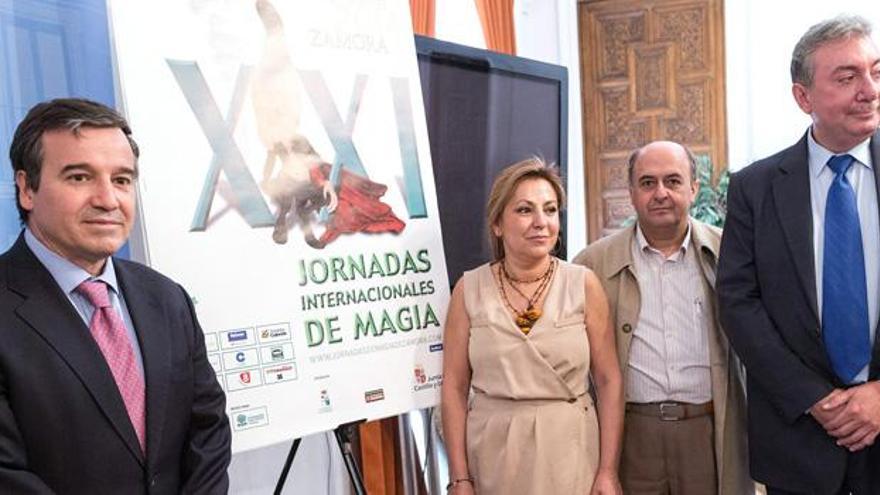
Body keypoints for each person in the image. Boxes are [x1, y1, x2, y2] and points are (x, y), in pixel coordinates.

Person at [0, 98, 231, 493]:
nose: (108, 200)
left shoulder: (166, 297)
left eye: (122, 179)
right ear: (26, 189)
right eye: (79, 177)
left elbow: (208, 431)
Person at [717, 15, 880, 494]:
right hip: (800, 443)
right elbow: (739, 303)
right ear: (803, 97)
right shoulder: (755, 188)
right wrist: (815, 399)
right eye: (847, 77)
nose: (868, 89)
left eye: (876, 71)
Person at [574, 141, 751, 494]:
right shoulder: (591, 265)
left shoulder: (729, 251)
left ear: (693, 188)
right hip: (631, 435)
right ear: (631, 193)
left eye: (673, 181)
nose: (660, 193)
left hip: (708, 429)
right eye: (647, 183)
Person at [441, 158, 624, 494]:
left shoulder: (584, 284)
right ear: (497, 223)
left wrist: (608, 471)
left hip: (570, 452)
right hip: (494, 456)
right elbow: (453, 387)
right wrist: (460, 477)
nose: (541, 222)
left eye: (551, 210)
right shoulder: (468, 290)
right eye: (525, 210)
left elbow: (609, 380)